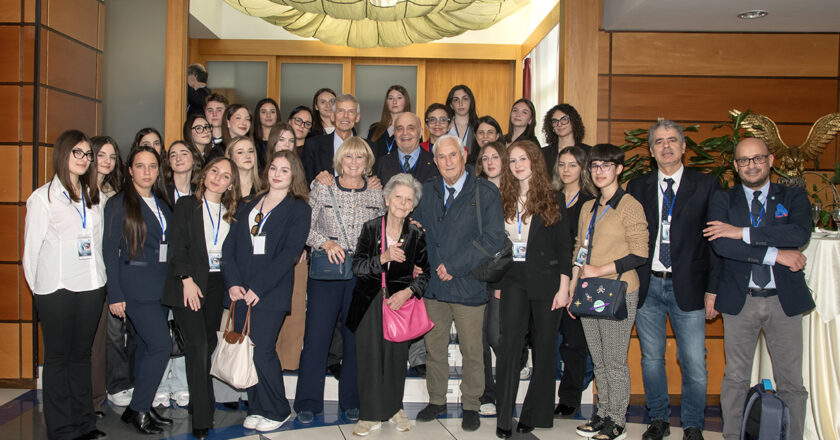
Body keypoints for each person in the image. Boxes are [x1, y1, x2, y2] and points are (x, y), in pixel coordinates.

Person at [703, 138, 812, 440]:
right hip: (741, 300)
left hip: (783, 301)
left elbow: (798, 232)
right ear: (735, 166)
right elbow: (722, 244)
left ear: (771, 160)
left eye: (757, 158)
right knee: (735, 378)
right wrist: (776, 254)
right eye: (744, 160)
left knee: (791, 382)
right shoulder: (723, 200)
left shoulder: (793, 196)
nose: (751, 165)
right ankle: (732, 436)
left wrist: (742, 232)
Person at [626, 120, 721, 440]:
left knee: (693, 361)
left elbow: (715, 243)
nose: (665, 146)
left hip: (690, 286)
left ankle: (693, 423)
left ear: (683, 147)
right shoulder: (637, 187)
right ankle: (659, 419)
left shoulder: (706, 186)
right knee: (651, 358)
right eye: (659, 142)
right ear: (651, 151)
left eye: (672, 140)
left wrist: (712, 289)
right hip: (648, 285)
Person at [412, 134, 505, 432]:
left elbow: (492, 238)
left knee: (472, 350)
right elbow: (416, 230)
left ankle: (471, 405)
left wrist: (454, 266)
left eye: (453, 155)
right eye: (441, 157)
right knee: (434, 348)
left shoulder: (485, 192)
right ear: (435, 160)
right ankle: (437, 400)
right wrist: (418, 260)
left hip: (467, 283)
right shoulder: (425, 191)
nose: (448, 161)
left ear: (464, 155)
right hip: (434, 289)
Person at [295, 137, 385, 424]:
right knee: (317, 338)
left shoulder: (376, 193)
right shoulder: (322, 187)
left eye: (360, 158)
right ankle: (308, 401)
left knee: (355, 339)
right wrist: (325, 243)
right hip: (326, 274)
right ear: (340, 161)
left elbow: (382, 233)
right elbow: (304, 227)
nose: (355, 163)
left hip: (361, 276)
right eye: (349, 157)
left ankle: (352, 400)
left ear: (367, 162)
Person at [23, 129, 107, 440]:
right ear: (63, 154)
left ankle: (85, 423)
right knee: (58, 358)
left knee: (81, 356)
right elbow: (30, 253)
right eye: (78, 153)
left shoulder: (92, 195)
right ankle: (61, 428)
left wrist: (99, 281)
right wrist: (41, 290)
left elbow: (95, 243)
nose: (85, 159)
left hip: (90, 286)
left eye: (88, 154)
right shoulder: (42, 197)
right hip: (56, 290)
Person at [223, 150, 312, 432]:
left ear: (294, 175)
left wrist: (257, 288)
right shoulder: (249, 202)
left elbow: (289, 254)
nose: (277, 174)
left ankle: (278, 409)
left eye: (284, 170)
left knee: (262, 352)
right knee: (246, 351)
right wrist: (233, 282)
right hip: (240, 291)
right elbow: (230, 246)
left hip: (269, 292)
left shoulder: (299, 209)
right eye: (273, 168)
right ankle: (258, 406)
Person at [494, 140, 572, 438]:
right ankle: (504, 416)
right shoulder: (504, 196)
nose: (517, 165)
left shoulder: (554, 198)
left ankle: (534, 413)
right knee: (509, 345)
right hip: (513, 277)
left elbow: (565, 247)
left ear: (535, 161)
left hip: (547, 280)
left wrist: (564, 286)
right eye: (512, 160)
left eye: (522, 158)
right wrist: (499, 283)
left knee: (544, 347)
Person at [571, 144, 648, 440]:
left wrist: (599, 270)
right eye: (595, 166)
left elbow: (640, 253)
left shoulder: (629, 206)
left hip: (619, 290)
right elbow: (580, 248)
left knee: (615, 359)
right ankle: (602, 413)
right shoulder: (589, 207)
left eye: (606, 165)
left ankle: (617, 420)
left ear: (619, 169)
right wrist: (576, 283)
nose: (600, 171)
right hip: (590, 290)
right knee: (599, 358)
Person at [161, 157, 240, 439]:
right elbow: (178, 245)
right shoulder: (186, 205)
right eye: (214, 171)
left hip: (217, 283)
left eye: (226, 175)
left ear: (232, 183)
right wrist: (187, 280)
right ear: (204, 174)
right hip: (189, 283)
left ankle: (198, 404)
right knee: (195, 345)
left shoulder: (233, 211)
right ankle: (203, 420)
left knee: (206, 346)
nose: (219, 177)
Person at [347, 173, 432, 436]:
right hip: (370, 303)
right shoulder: (371, 228)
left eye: (409, 200)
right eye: (398, 197)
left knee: (396, 360)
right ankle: (369, 414)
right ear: (387, 198)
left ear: (413, 205)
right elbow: (358, 267)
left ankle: (395, 408)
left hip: (399, 303)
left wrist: (408, 293)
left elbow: (425, 274)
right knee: (370, 358)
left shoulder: (416, 233)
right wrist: (382, 257)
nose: (403, 203)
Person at [103, 145, 174, 435]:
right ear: (130, 170)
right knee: (161, 346)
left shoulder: (161, 202)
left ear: (159, 170)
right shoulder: (119, 203)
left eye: (152, 166)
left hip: (160, 288)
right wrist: (115, 294)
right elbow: (109, 251)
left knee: (147, 348)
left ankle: (138, 407)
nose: (147, 172)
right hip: (134, 288)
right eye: (140, 166)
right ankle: (140, 408)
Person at [551, 145, 597, 417]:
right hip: (550, 277)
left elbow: (585, 245)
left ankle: (569, 398)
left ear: (583, 168)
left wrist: (573, 281)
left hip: (577, 277)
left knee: (574, 342)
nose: (566, 170)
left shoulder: (590, 201)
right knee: (547, 339)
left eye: (572, 165)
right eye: (562, 164)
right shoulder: (551, 197)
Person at [473, 140, 515, 417]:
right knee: (479, 337)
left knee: (495, 335)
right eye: (485, 157)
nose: (489, 162)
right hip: (479, 272)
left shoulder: (518, 192)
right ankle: (487, 393)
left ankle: (506, 389)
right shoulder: (474, 191)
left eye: (495, 157)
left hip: (508, 274)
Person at [89, 135, 129, 415]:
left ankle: (103, 393)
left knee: (109, 338)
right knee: (88, 341)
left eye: (112, 156)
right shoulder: (77, 191)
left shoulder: (115, 193)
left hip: (108, 272)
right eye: (101, 155)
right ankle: (88, 397)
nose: (106, 161)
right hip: (83, 276)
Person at [302, 94, 361, 184]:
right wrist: (316, 182)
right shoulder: (313, 145)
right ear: (332, 116)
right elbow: (303, 181)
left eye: (351, 112)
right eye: (340, 111)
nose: (345, 116)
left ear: (357, 117)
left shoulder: (370, 148)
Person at [374, 112, 439, 185]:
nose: (405, 133)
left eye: (411, 128)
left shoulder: (435, 163)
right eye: (400, 129)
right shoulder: (381, 165)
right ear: (394, 133)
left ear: (420, 132)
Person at [542, 104, 589, 174]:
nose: (559, 124)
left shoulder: (588, 152)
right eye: (555, 121)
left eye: (564, 119)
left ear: (573, 122)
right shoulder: (543, 153)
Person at [367, 85, 412, 159]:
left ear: (406, 101)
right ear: (386, 102)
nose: (394, 101)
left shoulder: (412, 130)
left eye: (399, 98)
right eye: (390, 98)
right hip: (377, 170)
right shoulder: (374, 129)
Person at [445, 85, 478, 153]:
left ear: (471, 102)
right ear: (451, 105)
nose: (461, 103)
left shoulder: (478, 126)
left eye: (465, 99)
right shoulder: (444, 126)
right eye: (456, 100)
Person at [253, 98, 280, 172]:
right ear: (258, 115)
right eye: (264, 112)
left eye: (272, 112)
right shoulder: (251, 140)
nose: (268, 115)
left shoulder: (283, 140)